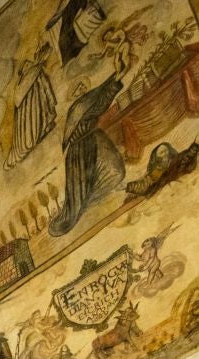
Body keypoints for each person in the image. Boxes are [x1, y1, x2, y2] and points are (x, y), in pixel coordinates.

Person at [49, 71, 125, 236]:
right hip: (80, 150)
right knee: (80, 192)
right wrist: (116, 81)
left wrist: (118, 76)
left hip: (92, 140)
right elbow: (99, 107)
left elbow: (99, 102)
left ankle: (94, 196)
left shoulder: (86, 102)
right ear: (73, 93)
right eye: (78, 87)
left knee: (115, 169)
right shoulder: (78, 108)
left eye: (84, 86)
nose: (82, 88)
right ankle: (77, 211)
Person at [5, 44, 59, 165]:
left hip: (36, 103)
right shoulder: (31, 71)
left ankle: (40, 132)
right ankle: (31, 140)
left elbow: (45, 89)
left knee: (35, 119)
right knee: (31, 122)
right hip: (30, 105)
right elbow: (19, 97)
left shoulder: (37, 70)